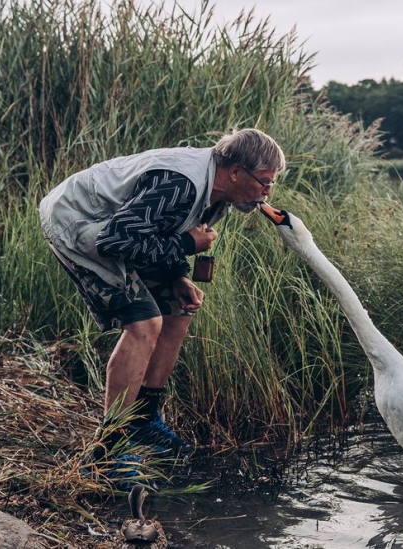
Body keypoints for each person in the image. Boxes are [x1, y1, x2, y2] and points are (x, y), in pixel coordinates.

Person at [39, 128, 286, 481]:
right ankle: (108, 450)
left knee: (178, 308)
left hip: (115, 228)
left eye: (270, 184)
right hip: (76, 220)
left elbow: (159, 230)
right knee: (144, 324)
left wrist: (177, 277)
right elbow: (117, 239)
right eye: (264, 182)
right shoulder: (179, 184)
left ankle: (143, 420)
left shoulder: (220, 197)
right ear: (235, 171)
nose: (267, 192)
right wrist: (187, 245)